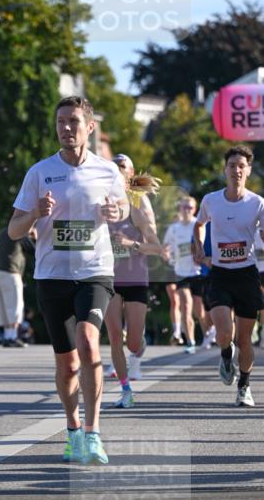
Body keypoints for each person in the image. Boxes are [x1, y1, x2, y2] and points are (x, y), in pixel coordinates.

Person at [9, 96, 128, 465]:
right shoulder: (40, 172)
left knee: (90, 342)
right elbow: (14, 230)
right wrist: (34, 213)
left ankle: (93, 433)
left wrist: (116, 210)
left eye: (73, 121)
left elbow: (122, 208)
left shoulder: (107, 171)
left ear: (89, 127)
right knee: (67, 365)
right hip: (52, 275)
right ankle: (73, 429)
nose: (66, 128)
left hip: (94, 272)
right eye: (60, 121)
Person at [193, 145, 264, 407]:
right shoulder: (211, 200)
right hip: (220, 273)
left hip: (246, 274)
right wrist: (199, 247)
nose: (236, 170)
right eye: (232, 165)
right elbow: (199, 225)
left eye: (241, 166)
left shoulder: (257, 203)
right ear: (225, 170)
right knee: (224, 332)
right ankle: (225, 353)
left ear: (248, 170)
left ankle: (244, 386)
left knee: (245, 338)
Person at [104, 155, 163, 406]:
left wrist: (130, 243)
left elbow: (156, 248)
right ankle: (126, 390)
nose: (117, 171)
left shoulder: (139, 203)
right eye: (113, 166)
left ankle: (138, 348)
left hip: (136, 278)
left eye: (122, 167)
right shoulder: (101, 200)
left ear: (130, 174)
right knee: (115, 336)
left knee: (133, 341)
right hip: (107, 277)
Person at [163, 196, 210, 353]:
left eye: (190, 207)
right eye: (184, 207)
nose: (187, 210)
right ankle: (190, 341)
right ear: (180, 209)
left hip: (197, 272)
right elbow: (165, 247)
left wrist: (201, 255)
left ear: (195, 209)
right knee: (185, 304)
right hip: (180, 273)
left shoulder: (199, 225)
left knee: (199, 309)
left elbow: (206, 244)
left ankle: (207, 335)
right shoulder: (174, 228)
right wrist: (168, 255)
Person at [0, 225, 35, 347]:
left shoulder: (4, 231)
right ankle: (13, 337)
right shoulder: (19, 231)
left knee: (3, 305)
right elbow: (33, 250)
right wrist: (34, 237)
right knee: (15, 305)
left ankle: (7, 336)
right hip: (11, 272)